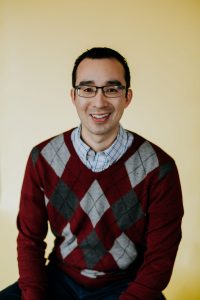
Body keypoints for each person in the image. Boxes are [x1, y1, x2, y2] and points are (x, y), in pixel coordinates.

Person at [0, 47, 183, 300]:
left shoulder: (159, 168)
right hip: (58, 279)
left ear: (127, 97)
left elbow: (161, 257)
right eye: (87, 89)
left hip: (125, 286)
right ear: (73, 96)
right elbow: (30, 240)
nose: (99, 101)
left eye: (112, 89)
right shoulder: (43, 158)